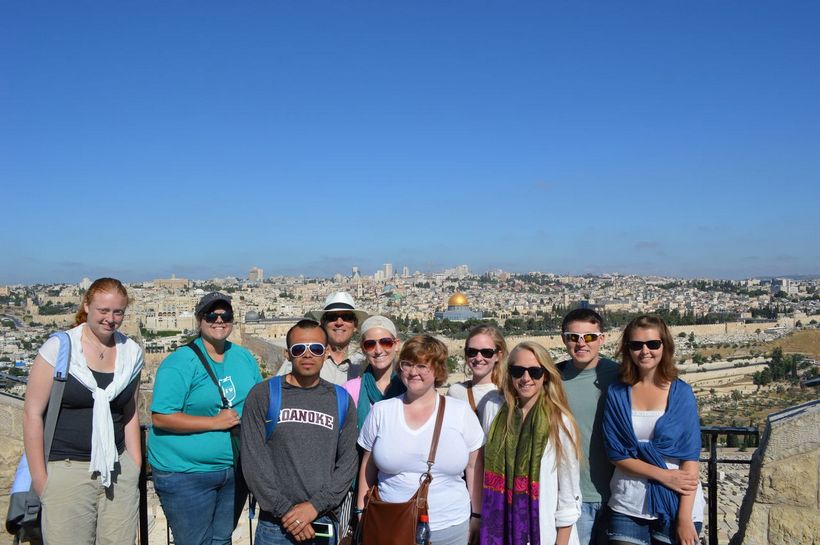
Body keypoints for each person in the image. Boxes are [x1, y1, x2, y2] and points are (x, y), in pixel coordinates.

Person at [22, 277, 144, 545]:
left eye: (117, 312)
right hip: (66, 471)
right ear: (87, 306)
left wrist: (134, 463)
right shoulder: (59, 350)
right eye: (103, 310)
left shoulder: (131, 354)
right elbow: (32, 414)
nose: (110, 319)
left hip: (118, 470)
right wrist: (42, 480)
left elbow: (130, 410)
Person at [148, 292, 263, 545]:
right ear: (200, 319)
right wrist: (215, 423)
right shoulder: (179, 362)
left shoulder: (243, 357)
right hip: (186, 473)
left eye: (226, 315)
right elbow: (161, 418)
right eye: (212, 315)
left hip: (234, 469)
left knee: (222, 539)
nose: (219, 320)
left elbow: (259, 401)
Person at [357, 335, 484, 545]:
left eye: (422, 366)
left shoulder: (460, 412)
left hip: (450, 527)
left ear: (438, 371)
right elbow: (367, 466)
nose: (414, 372)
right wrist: (361, 511)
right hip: (390, 525)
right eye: (407, 364)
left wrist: (477, 516)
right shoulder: (382, 411)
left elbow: (473, 467)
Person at [241, 319, 358, 545]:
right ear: (288, 354)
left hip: (322, 519)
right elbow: (253, 461)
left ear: (325, 353)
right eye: (299, 349)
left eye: (315, 348)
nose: (307, 355)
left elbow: (348, 462)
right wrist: (288, 514)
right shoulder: (263, 395)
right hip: (276, 525)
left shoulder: (341, 400)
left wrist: (314, 507)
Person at [603, 315, 704, 545]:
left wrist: (684, 519)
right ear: (627, 349)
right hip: (628, 502)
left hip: (678, 504)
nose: (644, 351)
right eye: (636, 345)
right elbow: (616, 454)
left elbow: (690, 459)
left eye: (653, 344)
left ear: (664, 346)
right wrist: (665, 476)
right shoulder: (617, 393)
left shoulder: (682, 394)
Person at [481, 341, 582, 545]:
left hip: (545, 533)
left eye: (535, 372)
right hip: (501, 530)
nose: (526, 378)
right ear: (509, 373)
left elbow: (568, 495)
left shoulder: (559, 421)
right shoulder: (493, 409)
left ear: (546, 375)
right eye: (518, 371)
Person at [558, 309, 620, 545]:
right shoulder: (552, 378)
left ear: (601, 339)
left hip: (619, 497)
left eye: (590, 337)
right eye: (574, 337)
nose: (581, 344)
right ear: (564, 340)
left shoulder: (620, 375)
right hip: (574, 497)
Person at [277, 292, 369, 385]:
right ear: (322, 323)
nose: (339, 322)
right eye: (332, 317)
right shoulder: (301, 356)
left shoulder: (365, 360)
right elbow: (277, 390)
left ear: (355, 325)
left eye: (346, 317)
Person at [342, 315, 406, 430]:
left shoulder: (409, 387)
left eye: (385, 342)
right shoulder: (350, 390)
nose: (378, 350)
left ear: (396, 345)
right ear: (363, 348)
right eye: (370, 344)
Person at [446, 324, 507, 429]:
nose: (478, 358)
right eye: (472, 352)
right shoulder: (455, 393)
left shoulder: (507, 394)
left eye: (486, 353)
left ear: (498, 356)